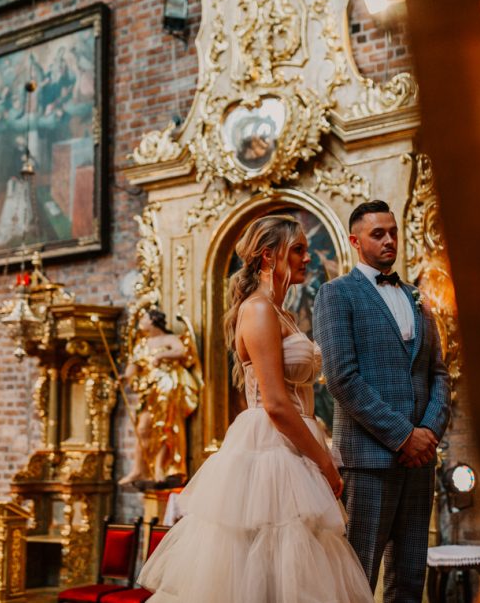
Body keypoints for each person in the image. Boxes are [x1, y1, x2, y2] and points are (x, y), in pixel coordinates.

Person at [138, 214, 373, 602]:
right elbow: (276, 403)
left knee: (293, 570)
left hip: (297, 441)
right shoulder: (259, 309)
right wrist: (325, 463)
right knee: (262, 567)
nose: (307, 257)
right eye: (297, 250)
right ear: (268, 256)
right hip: (271, 444)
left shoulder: (283, 313)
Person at [313, 200, 452, 603]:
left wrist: (428, 433)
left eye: (392, 232)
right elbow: (342, 378)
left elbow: (438, 373)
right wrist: (404, 436)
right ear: (356, 241)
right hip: (369, 458)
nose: (389, 240)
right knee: (358, 577)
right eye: (378, 234)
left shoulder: (418, 297)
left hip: (419, 461)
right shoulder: (336, 294)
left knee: (409, 579)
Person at [118, 308, 202, 486]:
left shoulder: (169, 339)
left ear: (153, 321)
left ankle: (160, 467)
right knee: (142, 428)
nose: (141, 322)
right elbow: (133, 366)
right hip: (149, 390)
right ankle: (138, 469)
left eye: (144, 319)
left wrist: (162, 355)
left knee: (165, 426)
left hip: (167, 386)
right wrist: (125, 377)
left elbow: (181, 351)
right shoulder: (142, 344)